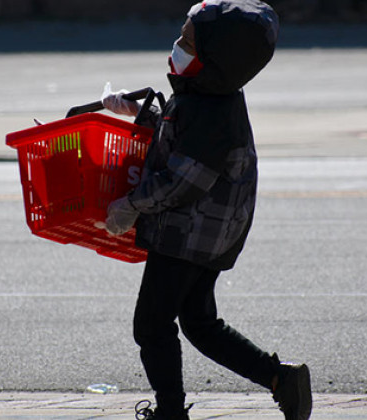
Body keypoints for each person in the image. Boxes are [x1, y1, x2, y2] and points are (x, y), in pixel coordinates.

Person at [102, 1, 312, 419]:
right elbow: (180, 131)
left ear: (215, 57)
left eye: (187, 41)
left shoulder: (210, 108)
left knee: (151, 324)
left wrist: (131, 205)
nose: (177, 45)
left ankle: (170, 412)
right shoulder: (210, 94)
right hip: (210, 233)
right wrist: (139, 111)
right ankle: (280, 379)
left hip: (188, 235)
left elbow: (186, 180)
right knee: (198, 322)